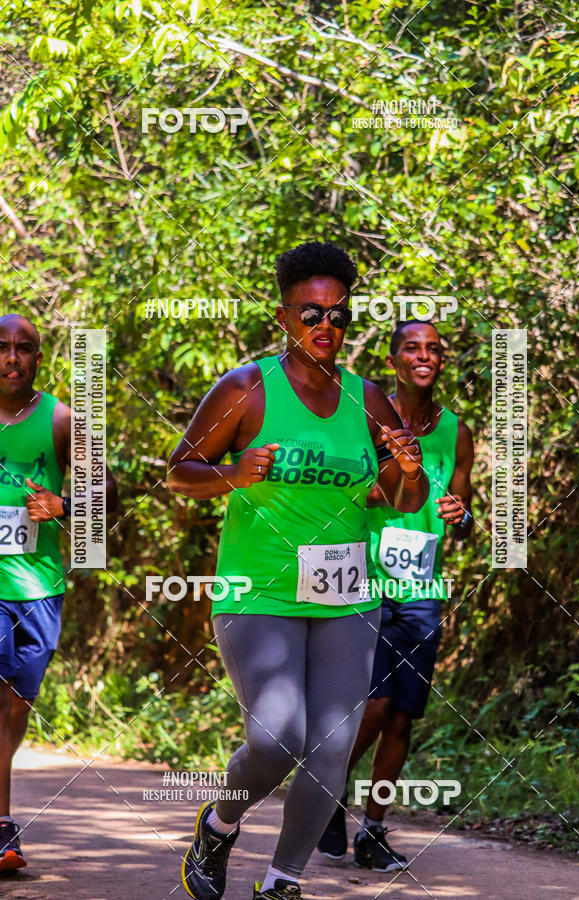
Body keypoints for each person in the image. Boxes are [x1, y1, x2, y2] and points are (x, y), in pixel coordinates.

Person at [167, 242, 429, 900]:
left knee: (332, 750)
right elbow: (178, 472)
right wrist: (233, 472)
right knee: (279, 736)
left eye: (338, 316)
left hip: (346, 595)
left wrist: (408, 467)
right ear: (284, 317)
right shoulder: (247, 388)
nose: (326, 328)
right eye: (311, 314)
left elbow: (404, 501)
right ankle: (220, 823)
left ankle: (282, 883)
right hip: (259, 592)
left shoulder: (369, 400)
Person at [318, 319, 474, 871]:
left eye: (433, 348)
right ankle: (328, 788)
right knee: (375, 704)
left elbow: (461, 508)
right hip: (365, 580)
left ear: (441, 360)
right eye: (412, 347)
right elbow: (343, 486)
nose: (424, 355)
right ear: (395, 358)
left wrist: (463, 513)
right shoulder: (367, 413)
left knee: (403, 715)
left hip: (423, 588)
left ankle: (373, 830)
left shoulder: (455, 431)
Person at [0, 314, 118, 871]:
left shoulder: (62, 419)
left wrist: (66, 506)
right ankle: (2, 828)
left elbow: (109, 489)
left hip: (39, 585)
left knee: (15, 705)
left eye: (24, 349)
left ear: (39, 359)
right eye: (1, 348)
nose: (12, 358)